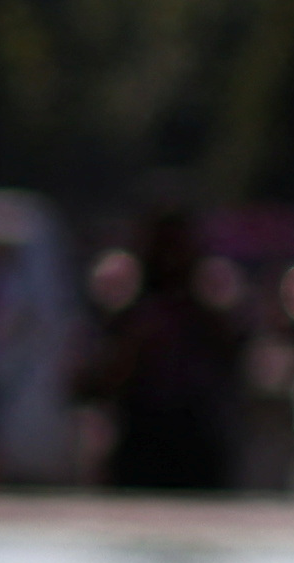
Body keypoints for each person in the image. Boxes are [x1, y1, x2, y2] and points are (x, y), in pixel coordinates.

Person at [78, 201, 248, 496]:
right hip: (140, 441)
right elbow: (94, 381)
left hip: (197, 441)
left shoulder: (207, 305)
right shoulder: (128, 308)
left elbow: (236, 362)